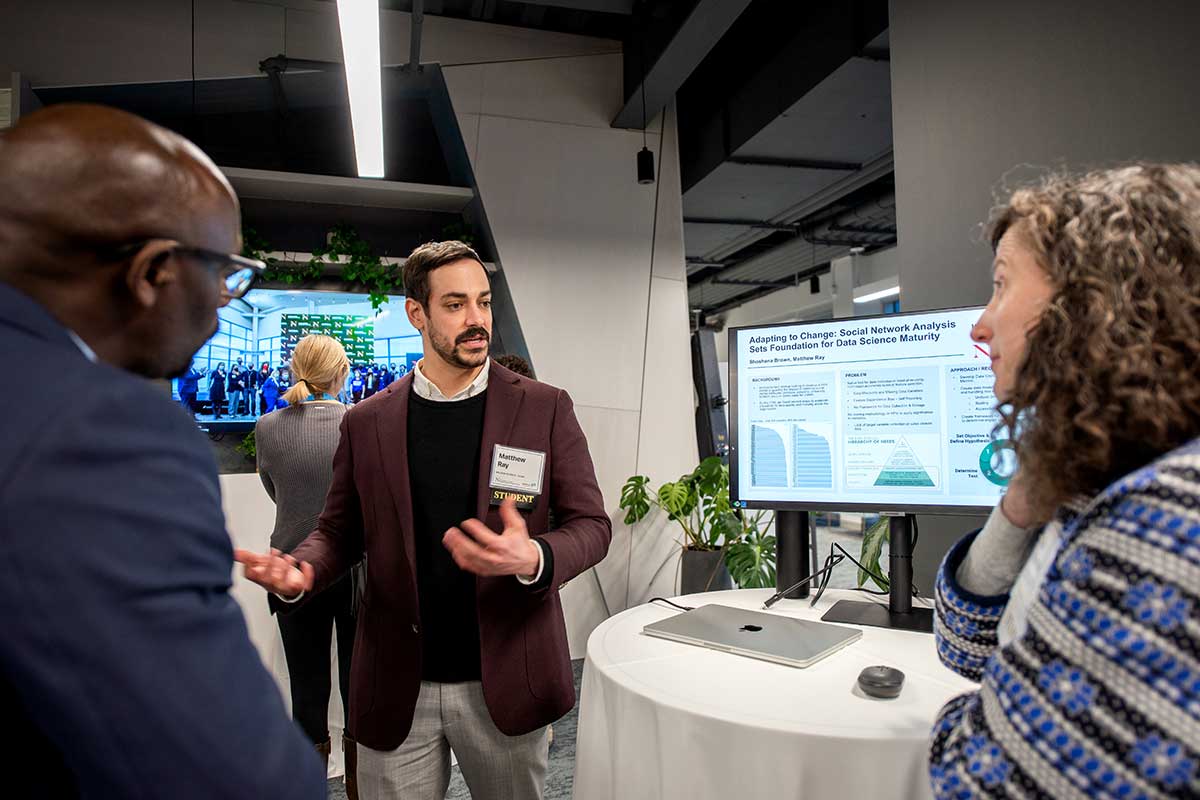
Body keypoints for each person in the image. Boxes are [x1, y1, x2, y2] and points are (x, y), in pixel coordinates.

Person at [0, 103, 323, 799]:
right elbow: (239, 779)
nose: (221, 305)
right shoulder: (97, 434)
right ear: (152, 272)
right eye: (226, 273)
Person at [236, 240, 612, 800]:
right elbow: (339, 531)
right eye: (455, 305)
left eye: (483, 302)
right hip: (398, 687)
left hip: (506, 678)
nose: (477, 319)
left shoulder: (543, 407)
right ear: (417, 313)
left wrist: (537, 556)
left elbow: (591, 525)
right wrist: (304, 572)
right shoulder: (367, 422)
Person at [929, 164, 1200, 799]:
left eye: (1001, 287)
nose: (980, 325)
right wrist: (1021, 505)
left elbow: (977, 777)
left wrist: (987, 718)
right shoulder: (1108, 473)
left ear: (1091, 296)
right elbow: (965, 646)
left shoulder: (1168, 518)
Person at [256, 335, 358, 798]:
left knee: (306, 692)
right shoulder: (362, 421)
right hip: (357, 571)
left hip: (291, 569)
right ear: (343, 373)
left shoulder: (267, 426)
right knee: (359, 691)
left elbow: (275, 490)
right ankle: (360, 786)